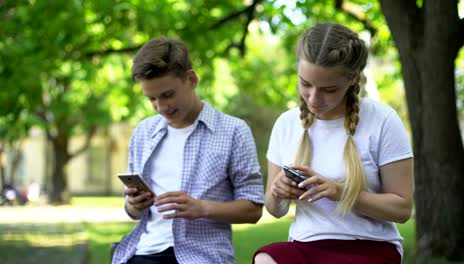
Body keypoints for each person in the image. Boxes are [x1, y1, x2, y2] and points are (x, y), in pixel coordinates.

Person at [253, 23, 413, 264]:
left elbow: (402, 210)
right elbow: (275, 210)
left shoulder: (382, 120)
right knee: (266, 258)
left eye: (328, 89)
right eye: (305, 84)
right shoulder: (286, 124)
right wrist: (278, 192)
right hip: (305, 245)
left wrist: (341, 192)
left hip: (368, 248)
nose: (313, 99)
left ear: (351, 79)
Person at [112, 37, 264, 264]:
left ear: (191, 79)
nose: (161, 107)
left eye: (167, 95)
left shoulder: (234, 131)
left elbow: (253, 210)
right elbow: (133, 212)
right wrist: (132, 206)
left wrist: (202, 208)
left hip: (202, 256)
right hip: (142, 253)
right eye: (151, 99)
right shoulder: (144, 132)